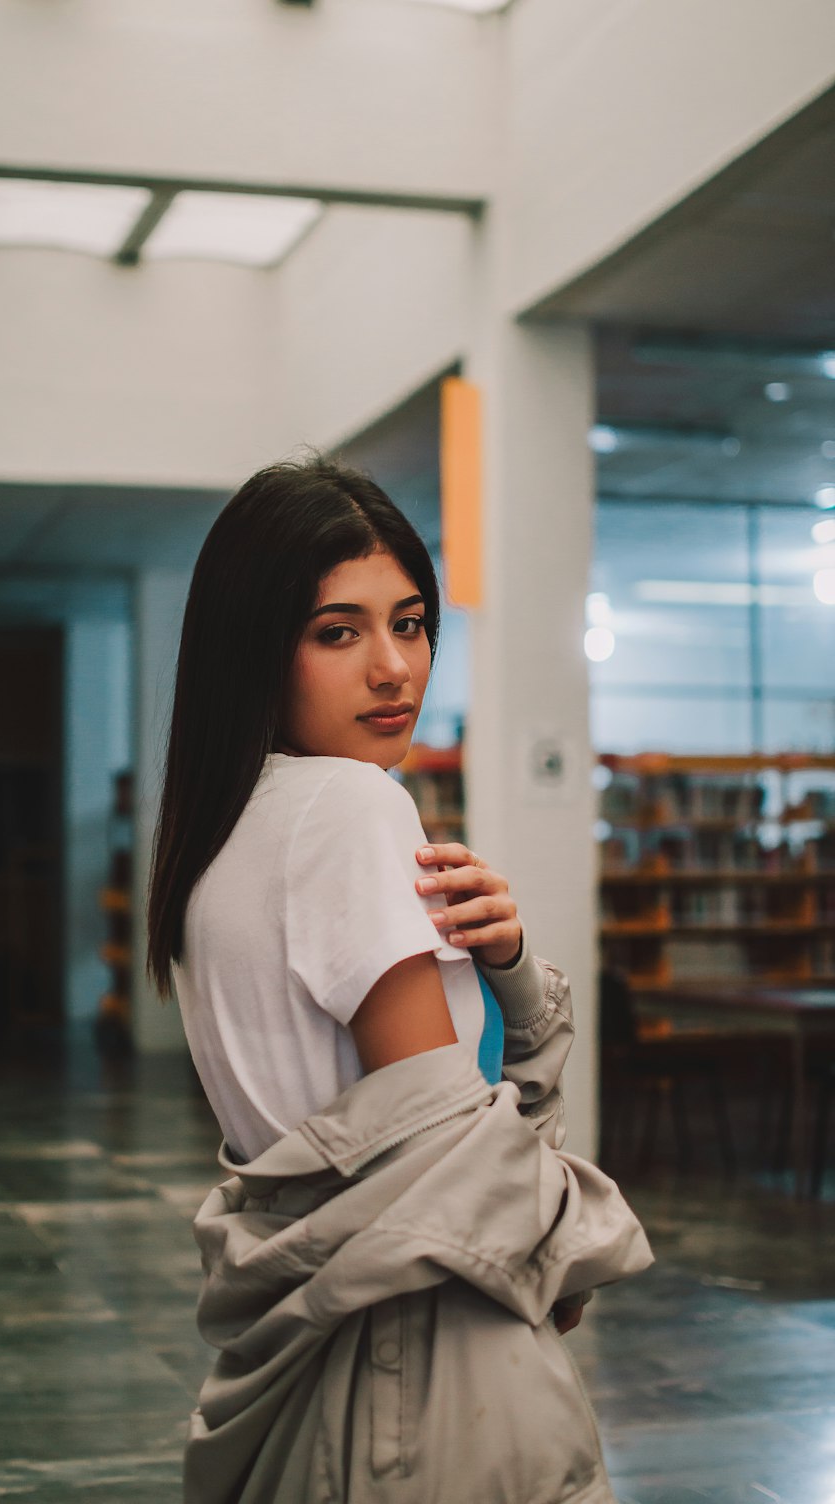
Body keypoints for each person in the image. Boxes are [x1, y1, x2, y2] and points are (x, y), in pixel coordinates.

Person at [147, 456, 652, 1504]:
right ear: (257, 649)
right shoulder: (347, 805)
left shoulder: (217, 833)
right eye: (338, 631)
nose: (394, 667)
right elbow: (446, 1146)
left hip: (321, 1342)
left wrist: (503, 969)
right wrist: (568, 1245)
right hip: (425, 1351)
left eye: (411, 623)